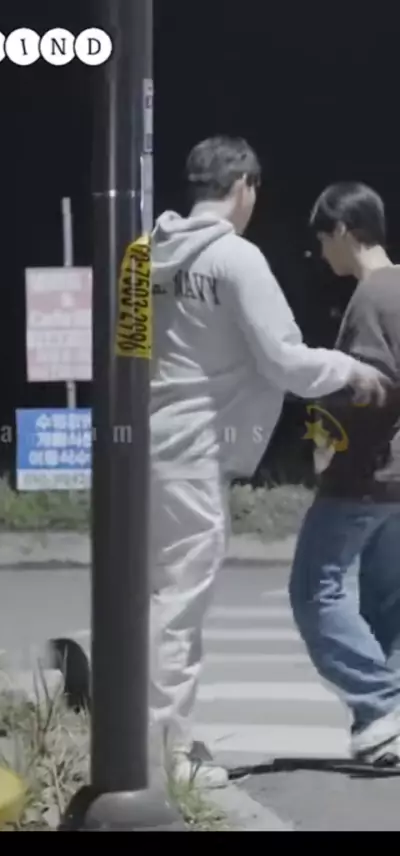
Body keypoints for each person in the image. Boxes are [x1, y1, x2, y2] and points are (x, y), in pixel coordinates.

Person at [148, 140, 389, 788]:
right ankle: (164, 753)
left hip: (141, 448)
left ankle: (144, 738)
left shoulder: (142, 255)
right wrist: (351, 371)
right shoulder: (236, 258)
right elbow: (285, 358)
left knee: (149, 598)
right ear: (244, 187)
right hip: (196, 451)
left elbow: (126, 348)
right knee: (178, 608)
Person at [289, 181, 400, 767]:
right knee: (388, 603)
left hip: (363, 474)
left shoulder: (371, 296)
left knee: (315, 590)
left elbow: (370, 387)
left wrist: (322, 433)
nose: (320, 252)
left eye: (322, 239)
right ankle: (388, 723)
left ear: (341, 229)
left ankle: (381, 706)